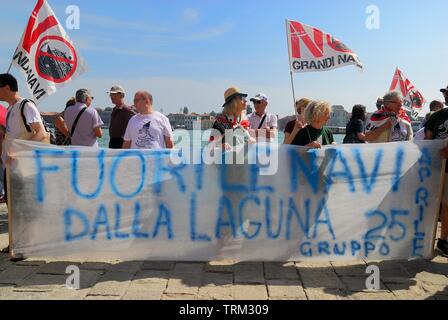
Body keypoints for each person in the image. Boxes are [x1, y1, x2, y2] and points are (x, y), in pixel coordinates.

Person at [0, 73, 48, 259]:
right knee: (13, 206)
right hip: (10, 167)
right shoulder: (11, 108)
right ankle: (15, 241)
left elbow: (40, 133)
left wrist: (19, 152)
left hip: (23, 167)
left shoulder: (26, 105)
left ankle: (27, 245)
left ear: (6, 87)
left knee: (24, 206)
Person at [426, 107, 448, 257]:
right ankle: (430, 239)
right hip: (436, 168)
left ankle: (442, 240)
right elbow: (428, 139)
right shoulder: (437, 116)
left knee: (447, 206)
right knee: (433, 205)